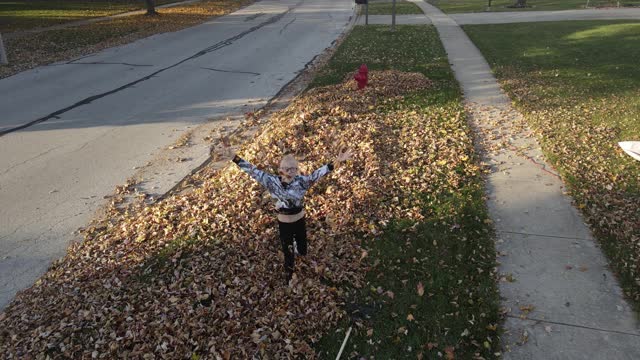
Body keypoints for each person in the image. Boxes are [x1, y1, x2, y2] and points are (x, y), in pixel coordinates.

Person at [227, 145, 352, 283]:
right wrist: (234, 158)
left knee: (303, 250)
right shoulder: (271, 181)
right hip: (285, 224)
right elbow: (252, 170)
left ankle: (301, 259)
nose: (289, 171)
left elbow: (319, 173)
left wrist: (337, 160)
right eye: (286, 168)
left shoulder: (302, 182)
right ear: (280, 169)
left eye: (293, 168)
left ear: (297, 170)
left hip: (300, 221)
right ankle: (289, 278)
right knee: (288, 254)